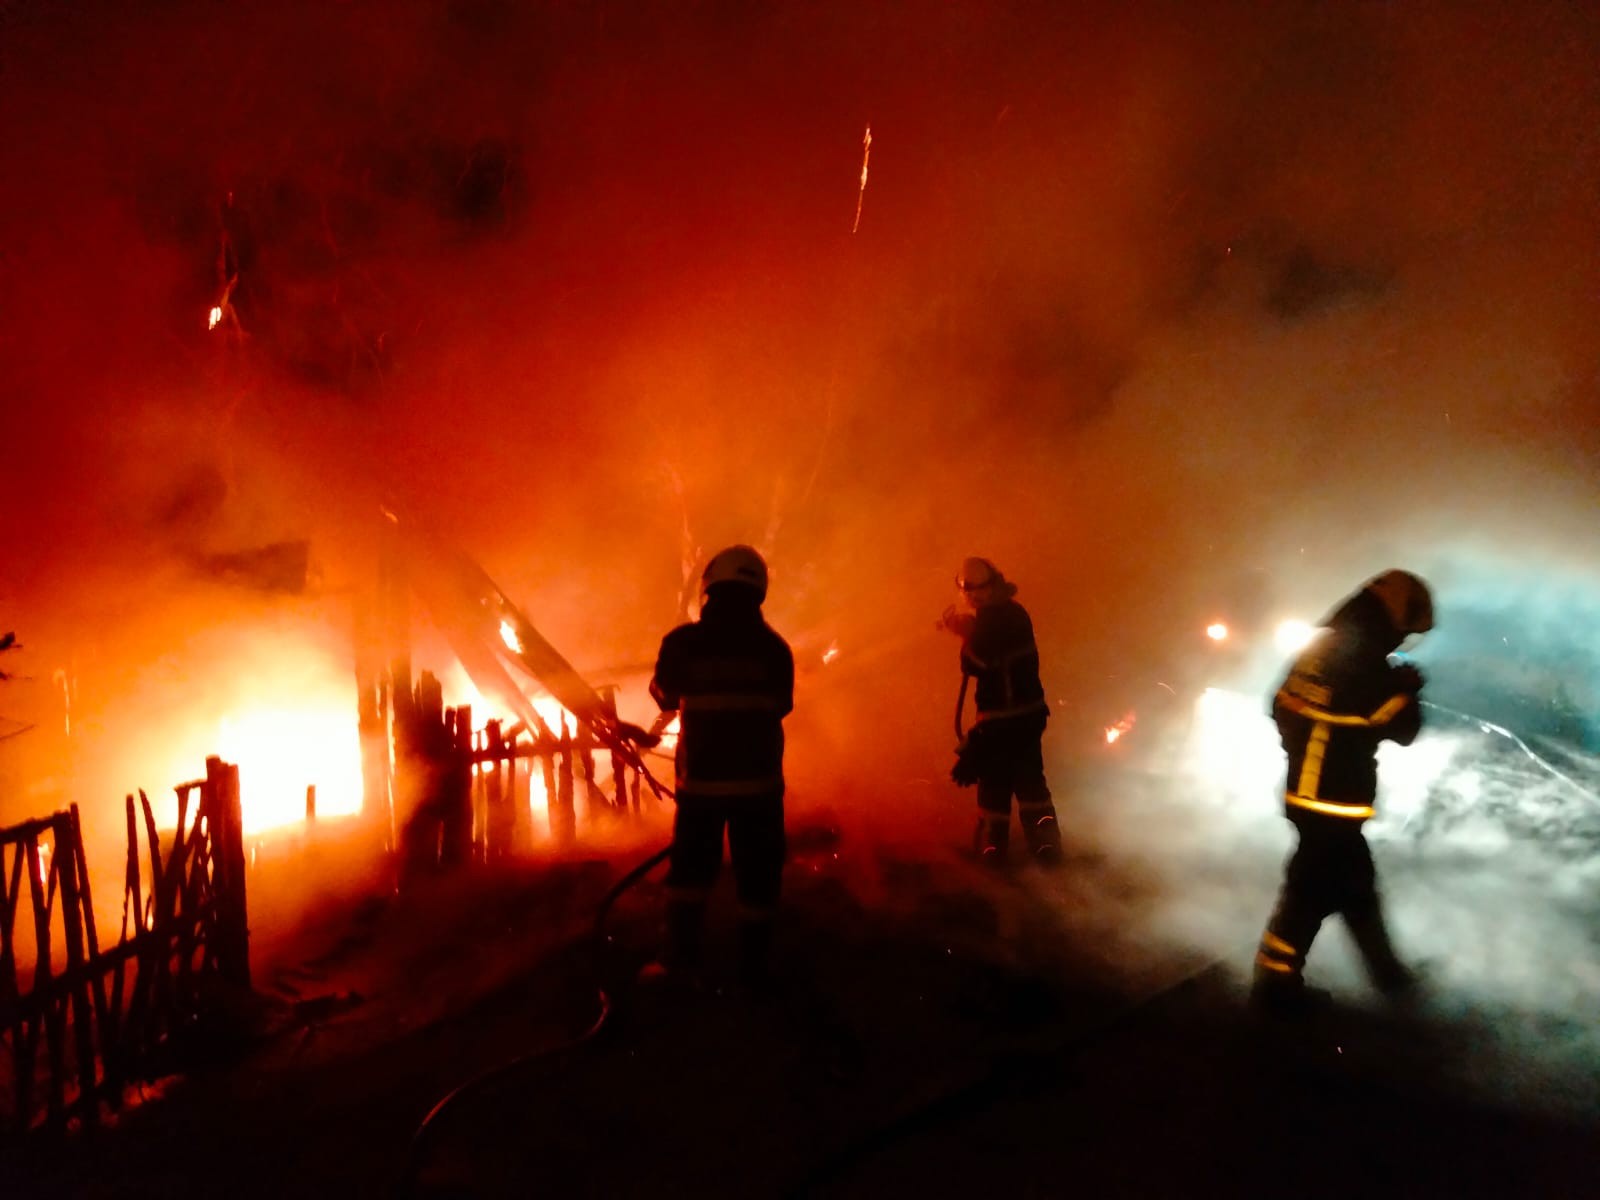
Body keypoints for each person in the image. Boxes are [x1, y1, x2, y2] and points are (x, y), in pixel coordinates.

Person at [1252, 568, 1434, 1014]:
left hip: (1310, 793)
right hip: (1331, 800)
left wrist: (1305, 743)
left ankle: (1390, 978)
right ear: (1392, 615)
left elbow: (1278, 704)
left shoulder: (1320, 648)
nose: (1400, 641)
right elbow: (1403, 728)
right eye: (1404, 631)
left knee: (1355, 888)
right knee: (1310, 893)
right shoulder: (1366, 660)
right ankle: (1275, 987)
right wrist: (1407, 689)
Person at [646, 545, 794, 989]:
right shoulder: (774, 649)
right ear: (759, 590)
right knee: (759, 873)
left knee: (691, 872)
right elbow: (782, 706)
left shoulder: (683, 643)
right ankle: (754, 967)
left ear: (709, 586)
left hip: (702, 787)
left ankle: (680, 960)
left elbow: (665, 696)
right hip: (760, 787)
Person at [939, 556, 1062, 864]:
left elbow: (976, 662)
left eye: (976, 591)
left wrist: (965, 633)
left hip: (1003, 721)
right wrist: (972, 627)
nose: (973, 597)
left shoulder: (993, 619)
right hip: (1028, 716)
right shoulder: (1011, 612)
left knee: (994, 790)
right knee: (1031, 785)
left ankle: (992, 856)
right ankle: (1048, 850)